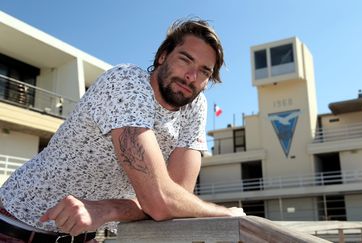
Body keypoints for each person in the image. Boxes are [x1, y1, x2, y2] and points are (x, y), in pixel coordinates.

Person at [0, 18, 245, 243]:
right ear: (162, 56)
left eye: (204, 71)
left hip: (82, 236)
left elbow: (178, 198)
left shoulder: (195, 105)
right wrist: (224, 212)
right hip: (14, 226)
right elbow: (161, 202)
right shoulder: (126, 82)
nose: (191, 76)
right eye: (185, 59)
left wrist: (108, 209)